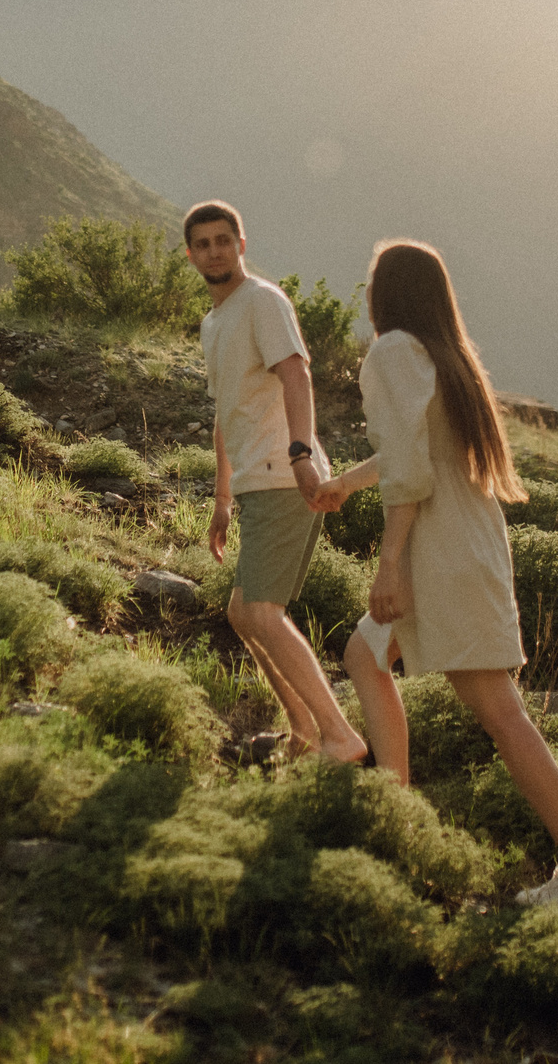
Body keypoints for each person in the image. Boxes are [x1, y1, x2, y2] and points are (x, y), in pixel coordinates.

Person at [312, 238, 558, 909]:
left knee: (500, 712)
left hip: (438, 546)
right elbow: (414, 452)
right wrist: (347, 483)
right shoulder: (445, 353)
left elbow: (413, 471)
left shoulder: (395, 351)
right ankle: (401, 817)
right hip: (465, 535)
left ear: (384, 292)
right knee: (364, 653)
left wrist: (388, 563)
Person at [185, 199, 370, 765]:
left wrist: (300, 454)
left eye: (224, 240)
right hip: (253, 481)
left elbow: (296, 373)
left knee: (262, 611)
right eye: (203, 243)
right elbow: (226, 413)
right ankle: (303, 731)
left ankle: (339, 737)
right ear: (191, 255)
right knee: (245, 613)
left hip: (284, 476)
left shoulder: (263, 301)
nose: (214, 250)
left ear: (241, 245)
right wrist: (221, 498)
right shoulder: (214, 321)